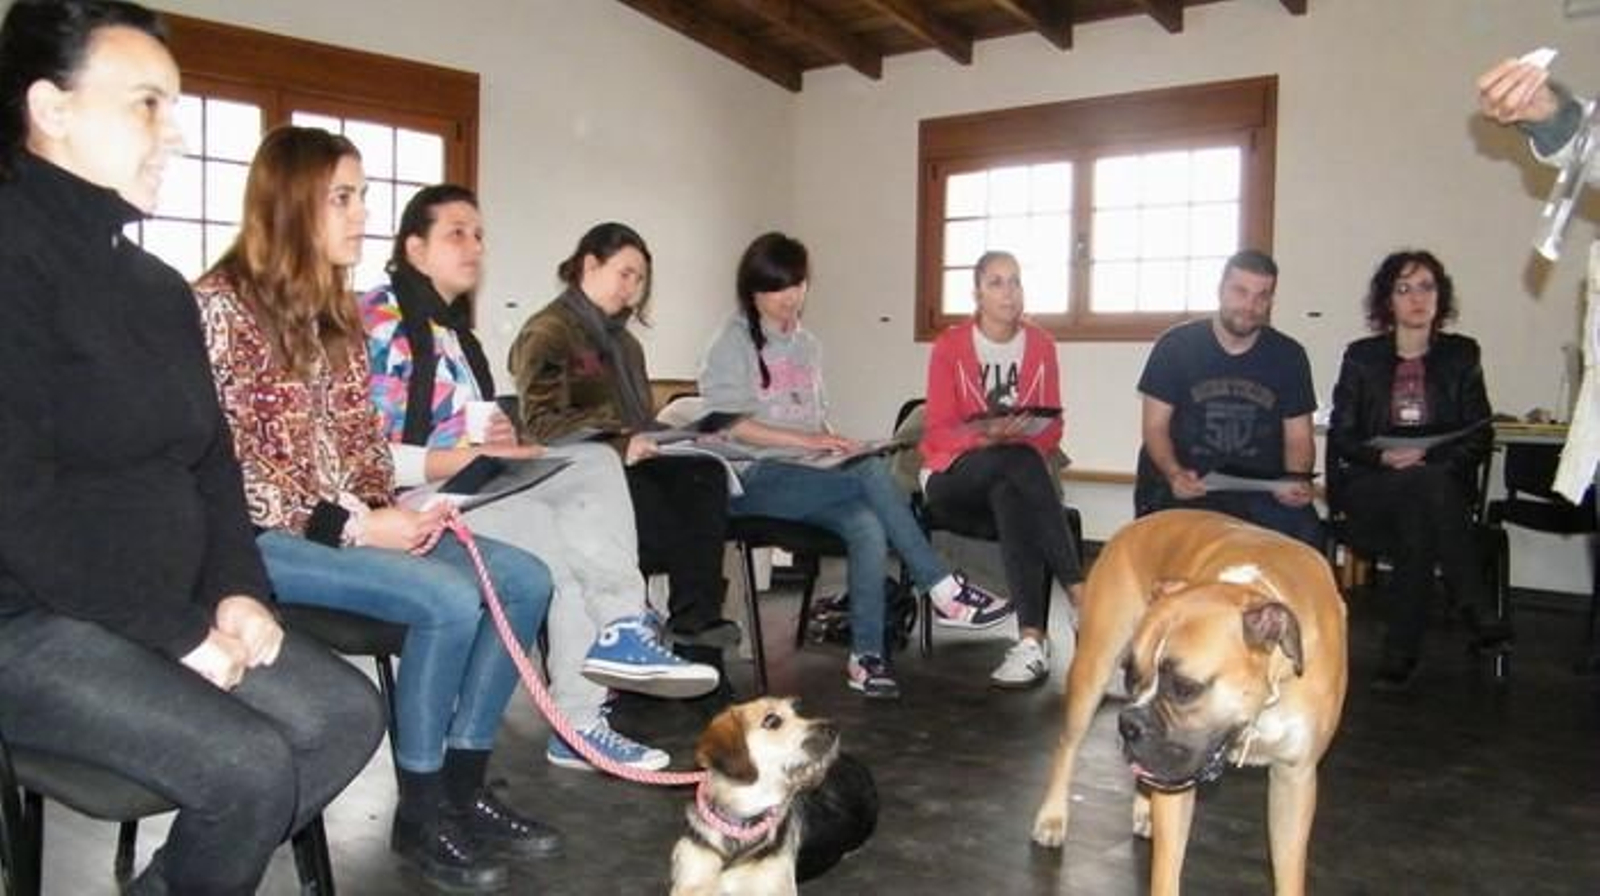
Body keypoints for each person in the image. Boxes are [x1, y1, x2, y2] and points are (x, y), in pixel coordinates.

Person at [0, 4, 384, 895]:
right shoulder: (13, 262)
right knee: (246, 768)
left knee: (341, 715)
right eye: (148, 103)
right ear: (52, 109)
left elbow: (211, 465)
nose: (174, 131)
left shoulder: (156, 286)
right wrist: (178, 633)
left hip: (158, 605)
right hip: (26, 620)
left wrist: (237, 590)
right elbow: (15, 506)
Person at [195, 127, 554, 893]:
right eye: (343, 198)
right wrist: (357, 525)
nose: (364, 214)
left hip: (347, 523)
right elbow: (229, 468)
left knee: (525, 580)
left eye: (361, 195)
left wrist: (410, 510)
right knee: (448, 599)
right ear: (291, 204)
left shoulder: (334, 317)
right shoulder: (218, 309)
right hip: (257, 540)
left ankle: (463, 786)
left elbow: (364, 447)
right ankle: (420, 812)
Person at [362, 188, 717, 774]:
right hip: (415, 498)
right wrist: (465, 457)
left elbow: (463, 430)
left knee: (596, 470)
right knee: (577, 533)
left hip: (471, 480)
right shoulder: (380, 320)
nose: (475, 246)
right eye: (457, 233)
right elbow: (364, 452)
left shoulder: (457, 335)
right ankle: (590, 699)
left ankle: (615, 645)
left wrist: (498, 441)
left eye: (480, 235)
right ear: (415, 249)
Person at [697, 231, 1012, 700]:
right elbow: (732, 426)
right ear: (753, 291)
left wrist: (835, 442)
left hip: (808, 475)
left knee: (866, 522)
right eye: (776, 287)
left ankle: (866, 657)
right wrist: (810, 442)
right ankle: (942, 586)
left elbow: (811, 418)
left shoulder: (807, 346)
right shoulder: (731, 341)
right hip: (751, 478)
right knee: (868, 473)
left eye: (797, 284)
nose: (790, 297)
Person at [508, 222, 742, 702]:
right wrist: (620, 443)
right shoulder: (548, 331)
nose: (632, 290)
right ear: (589, 265)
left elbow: (637, 421)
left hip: (628, 466)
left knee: (705, 474)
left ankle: (694, 632)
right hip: (579, 474)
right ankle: (665, 637)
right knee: (683, 519)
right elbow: (540, 425)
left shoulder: (627, 345)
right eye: (625, 274)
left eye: (640, 280)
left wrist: (674, 435)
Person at [1327, 250, 1513, 690]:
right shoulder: (1361, 357)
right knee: (1425, 491)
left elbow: (1479, 435)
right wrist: (1383, 458)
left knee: (1421, 508)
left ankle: (1400, 656)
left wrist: (1430, 459)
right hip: (1373, 487)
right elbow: (1343, 436)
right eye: (1404, 289)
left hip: (1435, 489)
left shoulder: (1462, 355)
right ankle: (1475, 607)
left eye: (1426, 287)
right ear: (1387, 301)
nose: (1416, 298)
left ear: (1440, 296)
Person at [919, 250, 1085, 688]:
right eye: (996, 282)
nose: (1008, 292)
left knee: (1014, 487)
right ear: (977, 293)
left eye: (1015, 281)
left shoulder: (1042, 345)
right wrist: (986, 438)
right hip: (952, 477)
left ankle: (1031, 642)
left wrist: (1021, 435)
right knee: (1019, 461)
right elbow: (938, 432)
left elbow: (1053, 428)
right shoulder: (950, 346)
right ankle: (1080, 592)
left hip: (1011, 475)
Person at [1134, 249, 1323, 547]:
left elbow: (1299, 437)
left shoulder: (1290, 356)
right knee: (1183, 543)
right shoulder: (1176, 346)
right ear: (1220, 290)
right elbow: (1154, 428)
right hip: (1192, 484)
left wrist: (1296, 478)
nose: (1250, 306)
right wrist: (1174, 474)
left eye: (1261, 296)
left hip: (1261, 490)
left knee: (1307, 532)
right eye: (1240, 292)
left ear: (1271, 301)